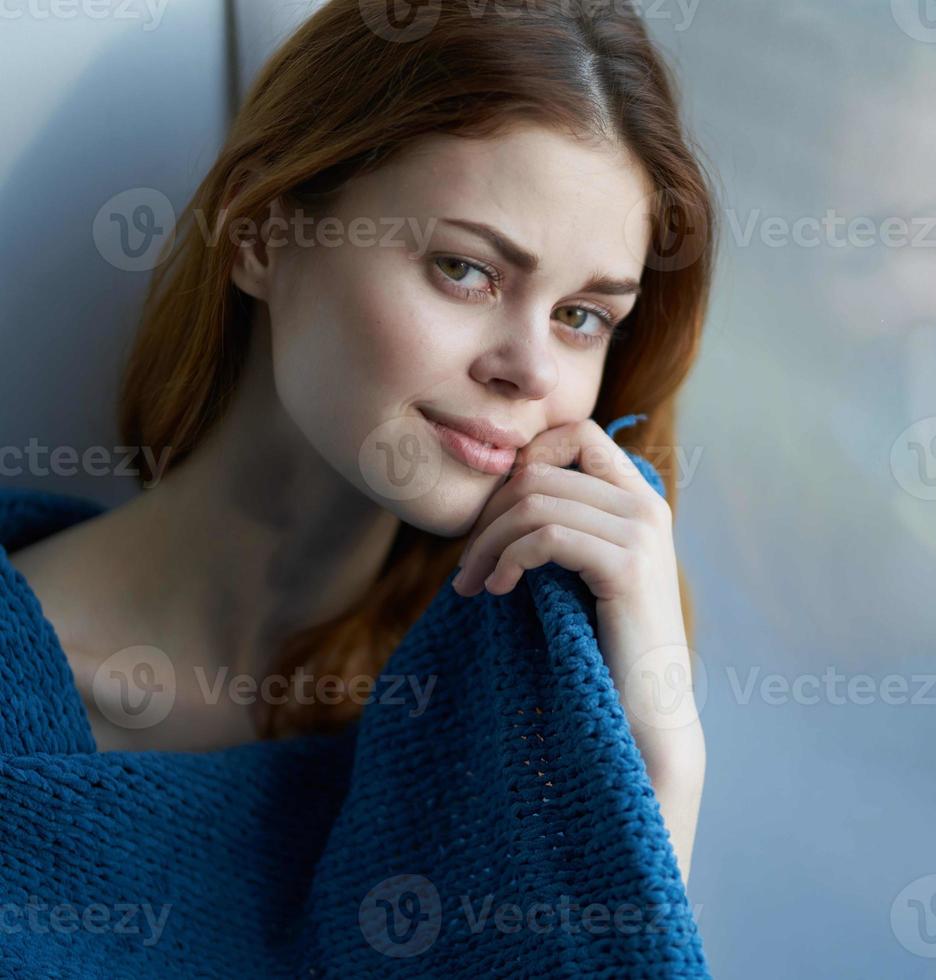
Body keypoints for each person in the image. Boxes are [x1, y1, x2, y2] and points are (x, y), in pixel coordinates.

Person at [4, 0, 714, 919]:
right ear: (260, 232)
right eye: (468, 269)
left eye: (582, 316)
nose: (532, 369)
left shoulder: (510, 737)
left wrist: (659, 775)